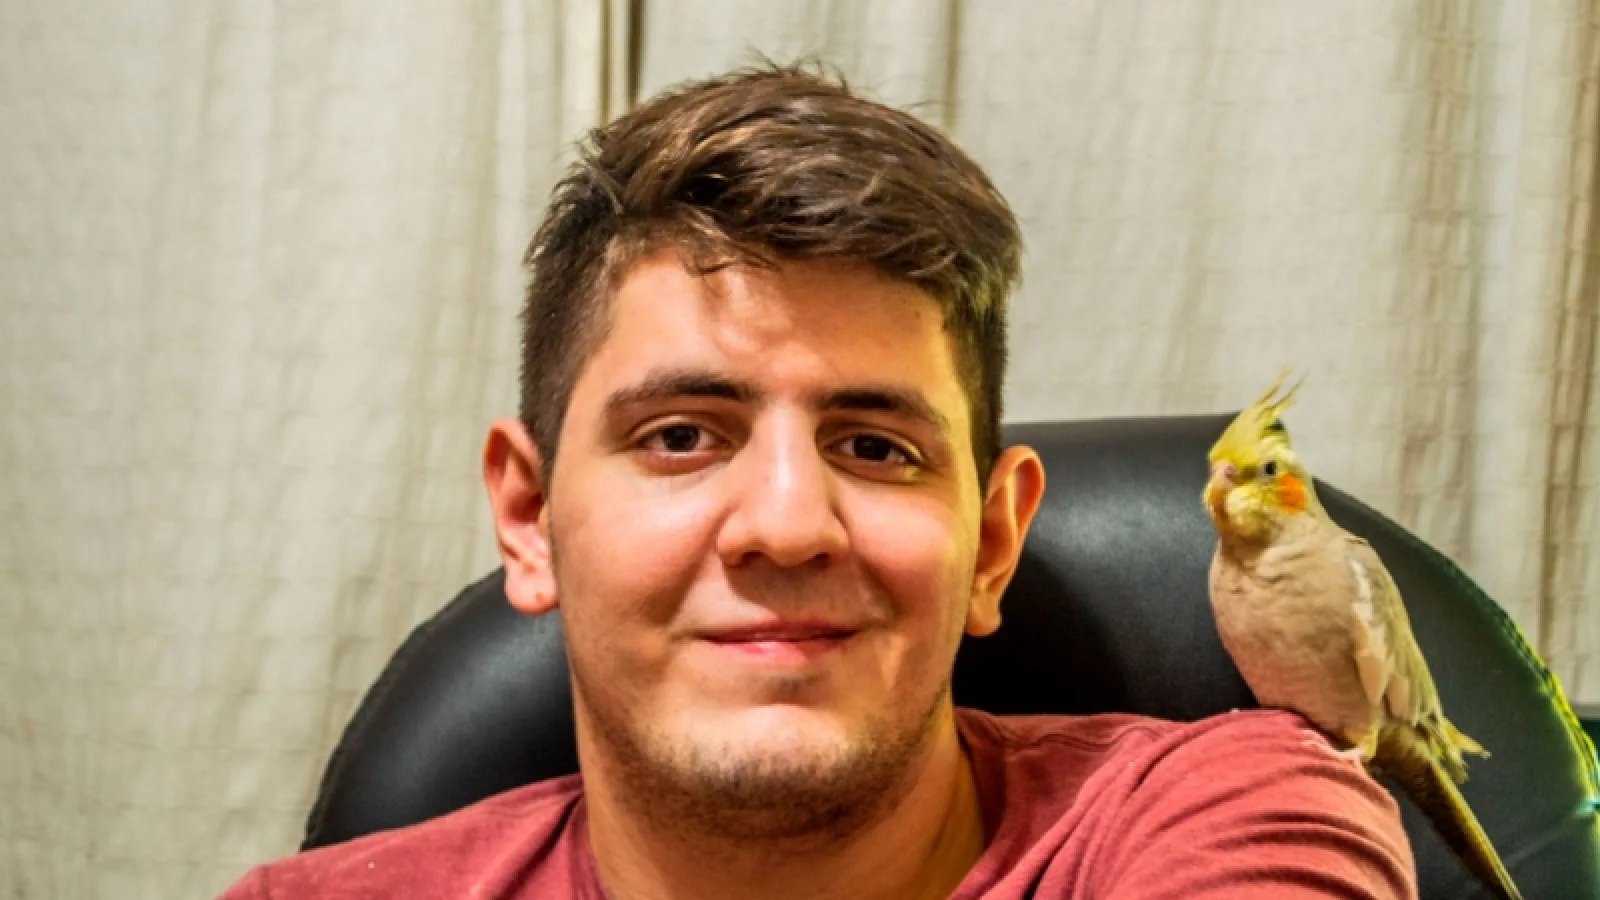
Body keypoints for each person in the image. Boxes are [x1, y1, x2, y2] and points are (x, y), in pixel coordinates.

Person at [218, 65, 1416, 899]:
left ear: (993, 544)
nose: (789, 525)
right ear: (529, 519)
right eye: (680, 437)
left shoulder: (1228, 819)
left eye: (875, 447)